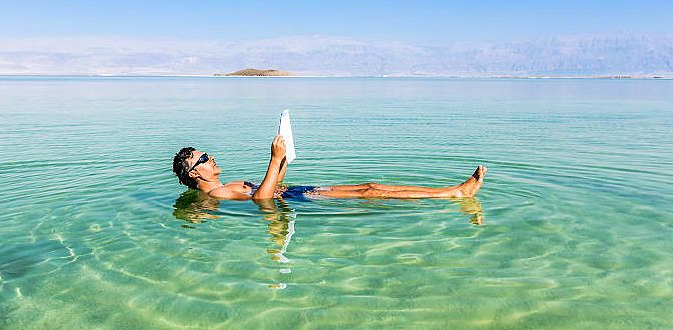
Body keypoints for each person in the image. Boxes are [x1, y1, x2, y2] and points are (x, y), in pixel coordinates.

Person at [172, 135, 486, 201]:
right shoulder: (215, 196)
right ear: (195, 173)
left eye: (207, 154)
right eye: (203, 159)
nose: (210, 159)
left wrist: (283, 158)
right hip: (298, 199)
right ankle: (452, 194)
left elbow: (271, 186)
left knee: (370, 186)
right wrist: (271, 159)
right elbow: (263, 200)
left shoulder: (228, 184)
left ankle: (454, 191)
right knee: (370, 192)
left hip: (293, 192)